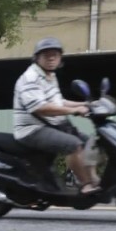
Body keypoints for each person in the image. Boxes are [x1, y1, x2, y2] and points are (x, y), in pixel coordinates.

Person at [13, 37, 99, 193]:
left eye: (55, 54)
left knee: (91, 142)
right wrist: (74, 110)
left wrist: (85, 105)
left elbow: (59, 101)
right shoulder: (31, 77)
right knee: (73, 145)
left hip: (52, 125)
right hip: (32, 129)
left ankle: (93, 178)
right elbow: (40, 108)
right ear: (37, 58)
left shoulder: (50, 76)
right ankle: (85, 184)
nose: (51, 58)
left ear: (60, 58)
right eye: (46, 55)